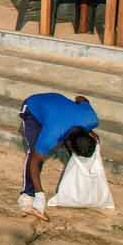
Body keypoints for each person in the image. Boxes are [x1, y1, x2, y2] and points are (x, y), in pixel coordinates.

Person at [18, 92, 99, 220]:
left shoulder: (91, 119)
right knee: (34, 152)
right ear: (67, 143)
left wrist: (86, 127)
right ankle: (27, 195)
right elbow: (35, 161)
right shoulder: (51, 135)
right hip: (33, 107)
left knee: (42, 147)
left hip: (56, 101)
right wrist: (40, 195)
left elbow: (80, 98)